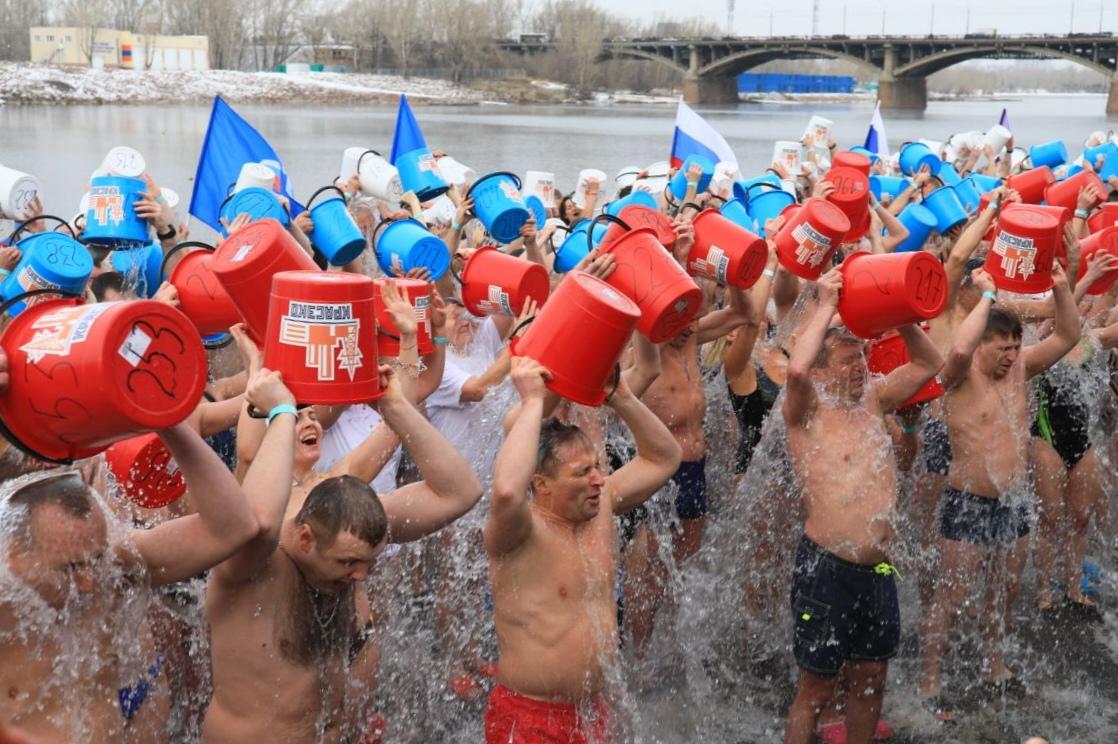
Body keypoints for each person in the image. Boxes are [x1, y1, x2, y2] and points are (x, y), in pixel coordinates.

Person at [203, 350, 484, 742]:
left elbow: (461, 493)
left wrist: (393, 405)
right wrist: (266, 382)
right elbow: (253, 476)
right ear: (305, 539)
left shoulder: (343, 507)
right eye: (349, 562)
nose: (362, 576)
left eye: (311, 412)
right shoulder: (247, 542)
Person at [0, 344, 259, 741]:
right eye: (69, 568)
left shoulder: (113, 563)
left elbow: (233, 527)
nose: (90, 580)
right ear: (12, 553)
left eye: (95, 558)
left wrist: (167, 422)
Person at [781, 269, 943, 744]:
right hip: (825, 568)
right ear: (822, 370)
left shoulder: (874, 397)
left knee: (872, 678)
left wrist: (901, 313)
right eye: (847, 361)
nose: (859, 368)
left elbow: (929, 361)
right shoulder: (806, 410)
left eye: (861, 358)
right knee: (815, 688)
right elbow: (793, 370)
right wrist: (828, 305)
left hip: (878, 571)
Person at [484, 356, 681, 743]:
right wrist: (531, 403)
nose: (598, 479)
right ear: (541, 485)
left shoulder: (601, 504)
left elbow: (664, 458)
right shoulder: (519, 531)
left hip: (593, 711)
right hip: (529, 718)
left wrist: (620, 396)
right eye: (581, 473)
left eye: (596, 466)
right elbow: (506, 491)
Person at [919, 265, 1081, 718]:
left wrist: (1063, 286)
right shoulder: (958, 376)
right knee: (952, 597)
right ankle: (931, 679)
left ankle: (993, 662)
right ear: (982, 346)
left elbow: (1068, 334)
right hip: (967, 502)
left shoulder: (1021, 370)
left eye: (1015, 346)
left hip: (1013, 501)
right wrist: (988, 297)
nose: (1012, 356)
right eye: (1002, 348)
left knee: (1006, 590)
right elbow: (958, 347)